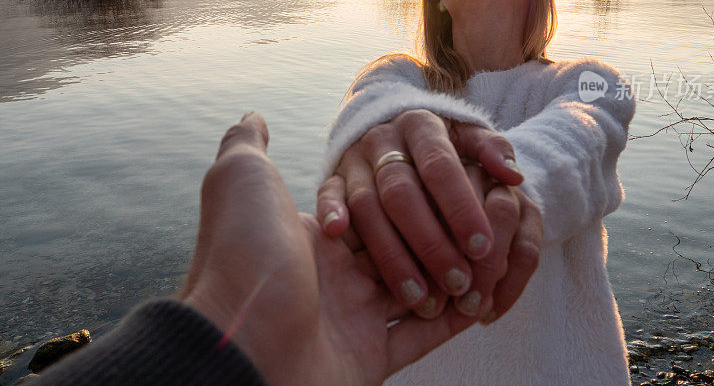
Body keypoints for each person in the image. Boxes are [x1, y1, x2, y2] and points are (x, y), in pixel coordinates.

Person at [316, 0, 637, 385]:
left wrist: (489, 187)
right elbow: (372, 116)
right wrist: (381, 148)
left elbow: (578, 140)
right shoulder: (397, 79)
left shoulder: (585, 81)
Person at [31, 112, 540, 386]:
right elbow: (376, 99)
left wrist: (506, 181)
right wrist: (238, 338)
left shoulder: (584, 79)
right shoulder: (396, 78)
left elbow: (585, 131)